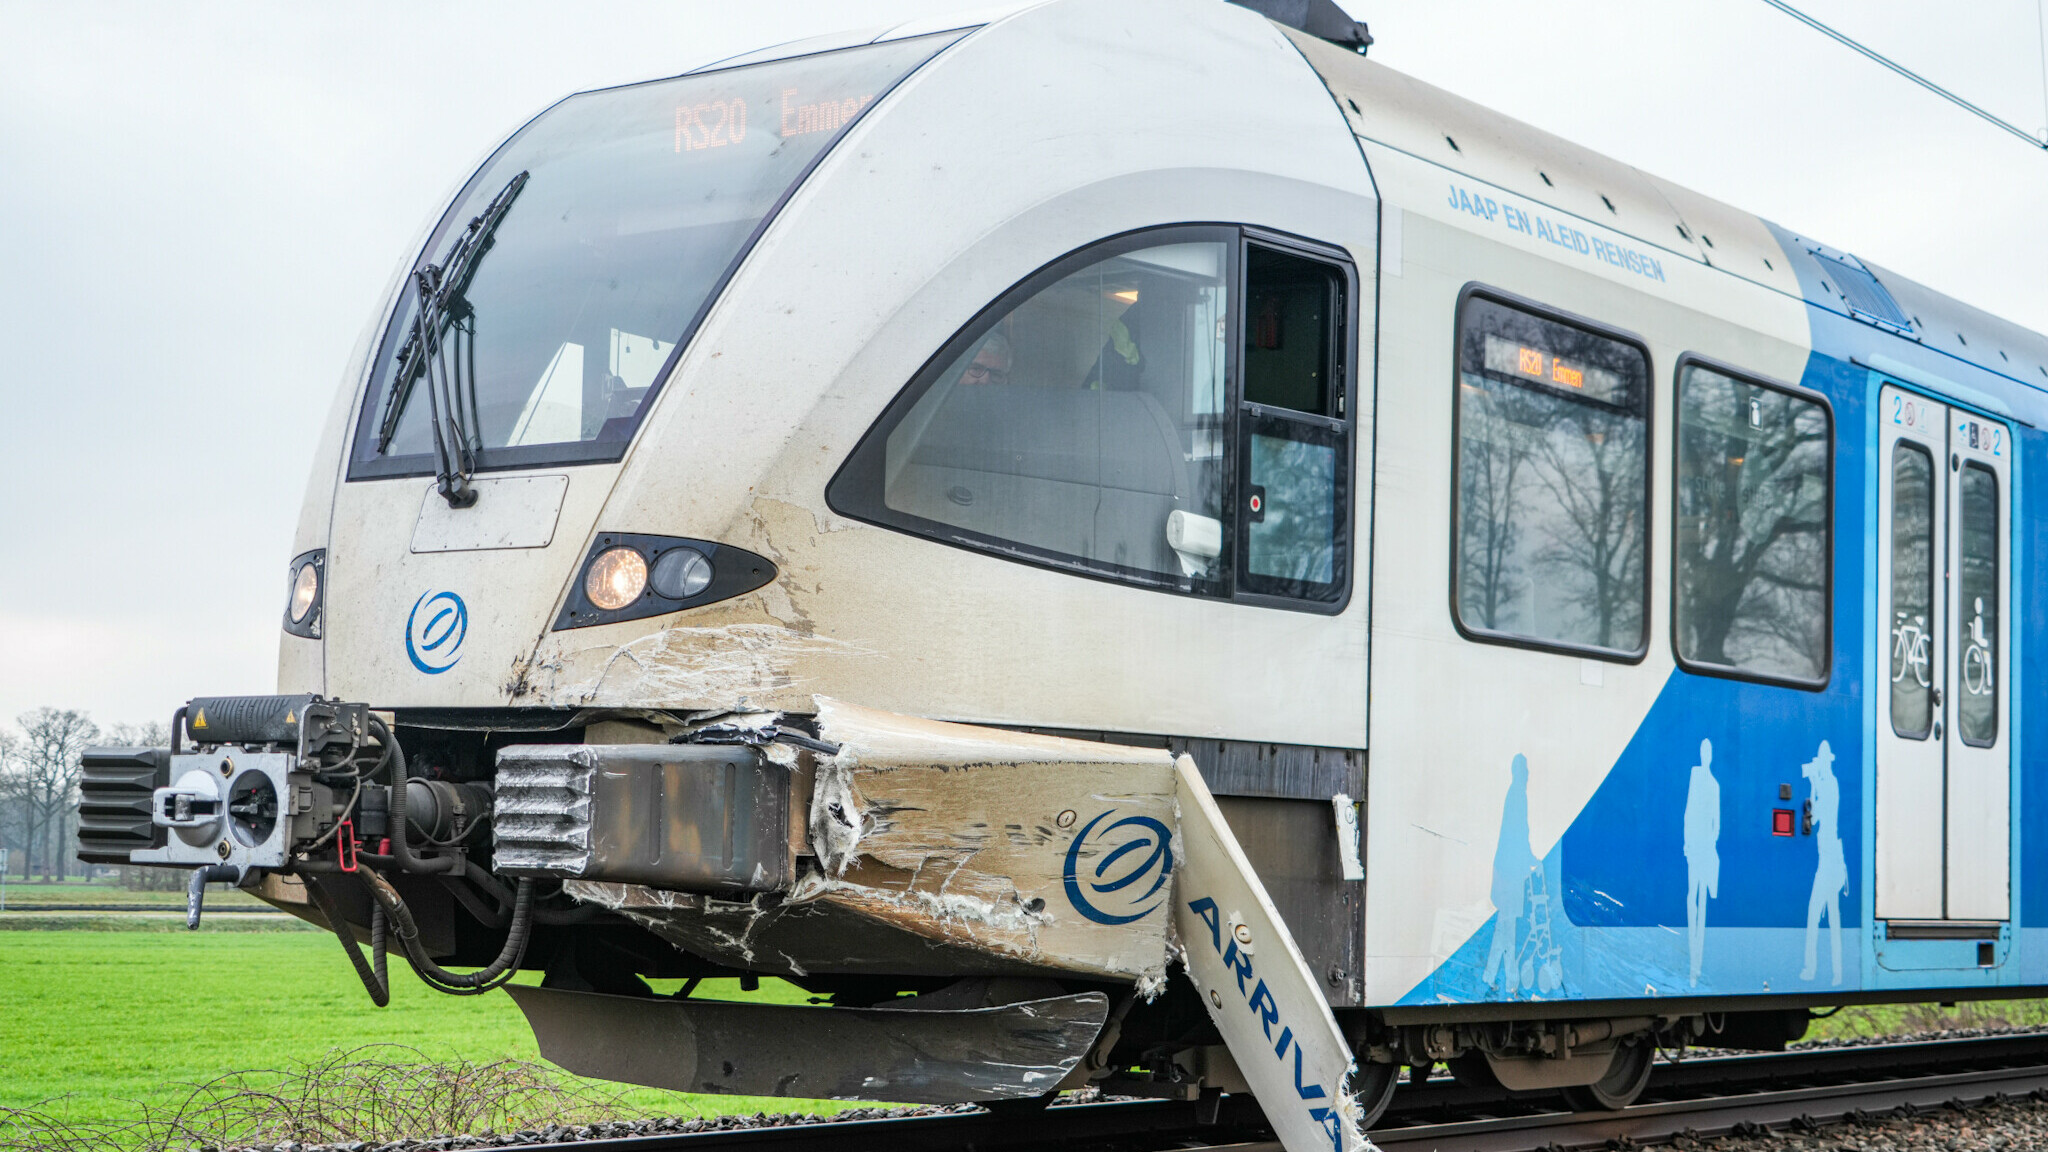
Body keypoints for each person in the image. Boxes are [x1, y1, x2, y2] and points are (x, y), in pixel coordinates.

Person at [1483, 753, 1536, 994]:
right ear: (1519, 771)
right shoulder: (1518, 795)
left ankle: (1489, 976)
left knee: (1504, 926)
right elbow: (1519, 834)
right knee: (1509, 928)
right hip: (1511, 871)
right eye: (1525, 769)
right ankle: (1512, 982)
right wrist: (1531, 860)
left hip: (1506, 868)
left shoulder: (1513, 794)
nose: (1528, 773)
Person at [1800, 740, 1846, 986]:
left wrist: (1814, 782)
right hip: (1826, 859)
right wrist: (1812, 785)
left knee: (1821, 915)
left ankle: (1824, 971)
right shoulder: (1824, 783)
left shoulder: (1831, 784)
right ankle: (1827, 971)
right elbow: (1814, 816)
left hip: (1830, 859)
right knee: (1830, 916)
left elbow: (1820, 816)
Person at [1683, 739, 1721, 987]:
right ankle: (1692, 962)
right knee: (1693, 898)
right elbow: (1688, 810)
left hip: (1703, 848)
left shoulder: (1713, 784)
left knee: (1701, 900)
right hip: (1696, 846)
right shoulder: (1696, 776)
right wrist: (1689, 840)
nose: (1704, 755)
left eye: (1707, 751)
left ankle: (1697, 966)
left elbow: (1716, 822)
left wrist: (1707, 841)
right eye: (1703, 751)